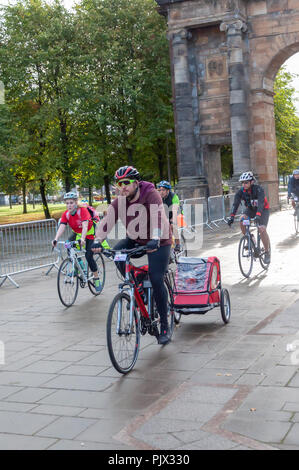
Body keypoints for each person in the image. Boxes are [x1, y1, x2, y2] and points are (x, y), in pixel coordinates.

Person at [92, 166, 173, 345]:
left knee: (156, 277)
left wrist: (156, 237)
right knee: (117, 255)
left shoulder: (151, 194)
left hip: (159, 240)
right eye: (119, 184)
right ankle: (139, 287)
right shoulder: (120, 200)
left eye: (126, 183)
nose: (123, 187)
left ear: (136, 183)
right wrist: (98, 240)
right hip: (136, 238)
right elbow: (107, 221)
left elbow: (158, 216)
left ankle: (165, 326)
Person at [52, 191, 102, 291]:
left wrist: (82, 239)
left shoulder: (82, 211)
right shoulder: (66, 214)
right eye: (67, 203)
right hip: (78, 233)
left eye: (71, 203)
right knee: (68, 246)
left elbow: (85, 226)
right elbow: (62, 226)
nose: (69, 205)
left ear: (76, 202)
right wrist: (55, 239)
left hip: (89, 233)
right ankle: (78, 268)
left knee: (88, 256)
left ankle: (96, 279)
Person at [227, 171, 271, 264]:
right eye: (242, 183)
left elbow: (261, 203)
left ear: (251, 182)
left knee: (261, 229)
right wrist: (231, 217)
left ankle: (267, 252)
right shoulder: (241, 192)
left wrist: (258, 215)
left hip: (263, 210)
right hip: (251, 209)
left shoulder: (258, 189)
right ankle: (249, 238)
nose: (244, 184)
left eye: (246, 182)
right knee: (242, 220)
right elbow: (235, 204)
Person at [156, 180, 181, 252]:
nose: (161, 192)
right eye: (159, 190)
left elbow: (175, 210)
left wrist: (173, 219)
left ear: (168, 190)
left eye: (163, 190)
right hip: (167, 214)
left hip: (176, 213)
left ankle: (178, 244)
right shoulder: (159, 198)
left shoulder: (174, 197)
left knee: (173, 226)